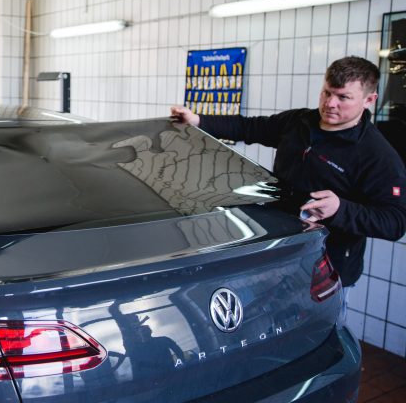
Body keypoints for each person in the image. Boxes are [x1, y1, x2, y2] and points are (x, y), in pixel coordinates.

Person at [171, 56, 406, 315]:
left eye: (342, 97)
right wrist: (199, 121)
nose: (330, 104)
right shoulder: (299, 122)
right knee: (263, 325)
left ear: (369, 100)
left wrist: (341, 209)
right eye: (326, 92)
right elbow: (249, 127)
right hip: (277, 250)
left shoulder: (378, 156)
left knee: (316, 335)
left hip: (325, 266)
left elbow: (395, 222)